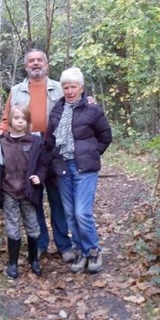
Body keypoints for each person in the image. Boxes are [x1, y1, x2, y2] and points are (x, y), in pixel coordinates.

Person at [0, 49, 75, 263]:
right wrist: (1, 131)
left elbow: (77, 106)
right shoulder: (17, 90)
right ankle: (39, 245)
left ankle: (64, 245)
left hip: (56, 151)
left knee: (58, 200)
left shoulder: (59, 88)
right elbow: (6, 119)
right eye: (32, 60)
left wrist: (90, 101)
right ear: (26, 65)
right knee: (34, 199)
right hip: (28, 152)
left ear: (46, 64)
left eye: (40, 60)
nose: (36, 63)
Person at [45, 67, 112, 274]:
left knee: (82, 213)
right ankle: (81, 251)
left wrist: (91, 154)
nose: (70, 91)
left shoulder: (92, 109)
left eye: (74, 86)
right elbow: (50, 140)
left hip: (84, 168)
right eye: (66, 87)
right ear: (62, 89)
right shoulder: (57, 110)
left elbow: (105, 137)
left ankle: (93, 250)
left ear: (81, 88)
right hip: (63, 168)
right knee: (70, 215)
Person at [0, 105, 47, 278]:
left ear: (28, 121)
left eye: (23, 118)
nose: (20, 121)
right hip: (9, 191)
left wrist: (39, 177)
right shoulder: (2, 141)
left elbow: (43, 163)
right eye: (16, 118)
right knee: (12, 226)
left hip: (28, 192)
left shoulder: (35, 141)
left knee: (33, 226)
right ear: (10, 120)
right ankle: (12, 263)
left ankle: (34, 260)